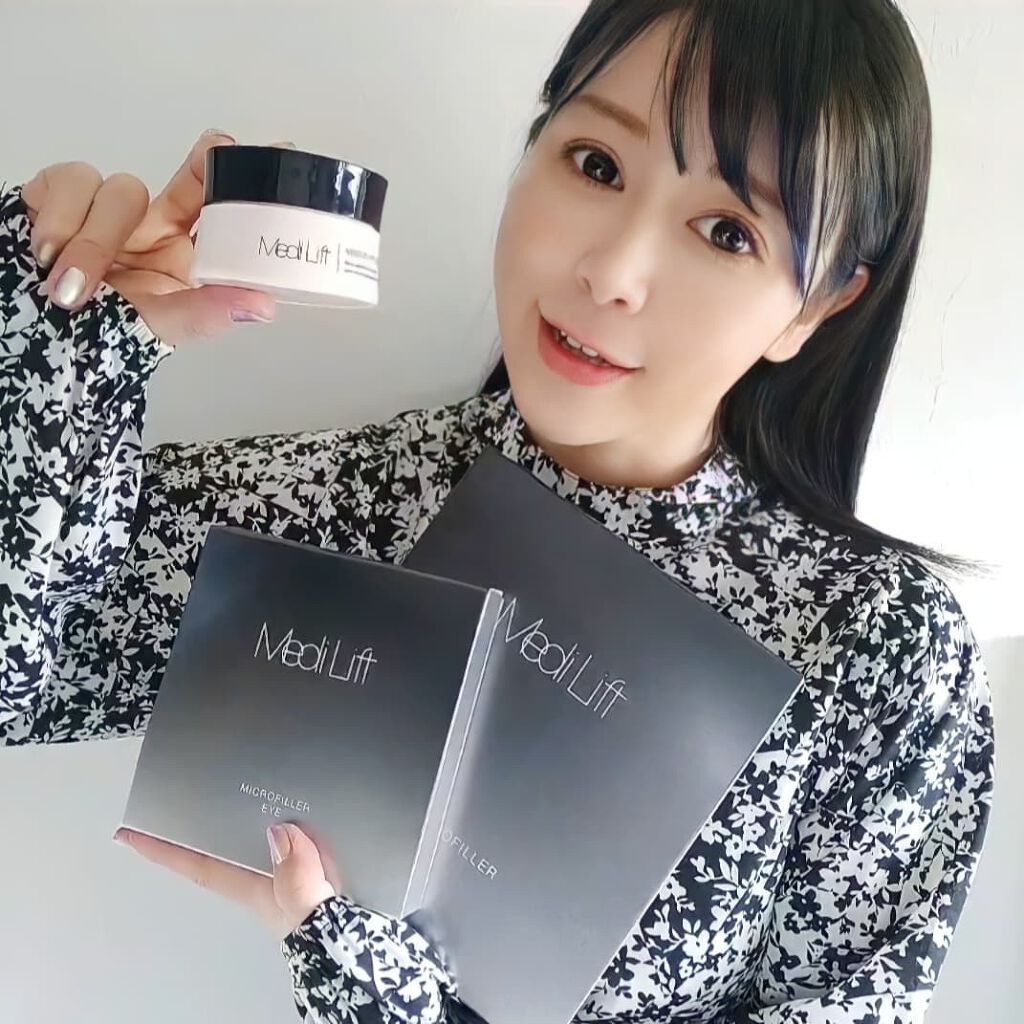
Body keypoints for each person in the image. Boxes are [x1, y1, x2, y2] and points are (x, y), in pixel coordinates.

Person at [0, 1, 996, 1022]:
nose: (612, 273)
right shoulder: (368, 501)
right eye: (597, 165)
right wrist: (66, 346)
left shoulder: (873, 649)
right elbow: (20, 679)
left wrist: (377, 995)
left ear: (819, 303)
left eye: (726, 231)